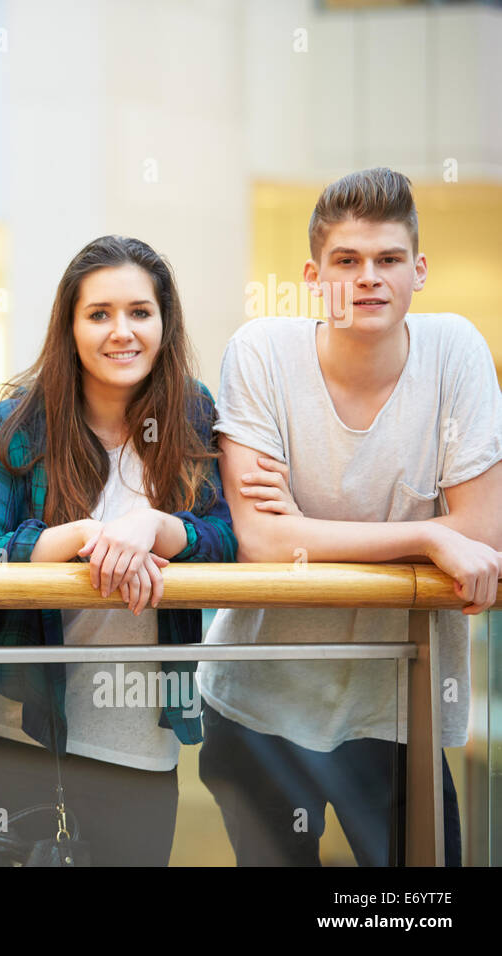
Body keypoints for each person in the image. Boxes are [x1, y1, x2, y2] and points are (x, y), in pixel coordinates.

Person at [197, 167, 502, 866]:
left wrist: (310, 530)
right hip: (260, 704)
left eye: (389, 259)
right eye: (347, 261)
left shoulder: (456, 351)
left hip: (397, 704)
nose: (369, 278)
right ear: (314, 275)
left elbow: (483, 534)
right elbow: (265, 543)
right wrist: (429, 533)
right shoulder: (262, 353)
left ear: (418, 270)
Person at [0, 235, 236, 865]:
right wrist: (72, 540)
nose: (120, 332)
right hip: (20, 733)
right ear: (69, 327)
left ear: (165, 322)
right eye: (98, 314)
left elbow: (229, 541)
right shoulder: (19, 421)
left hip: (141, 747)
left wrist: (157, 526)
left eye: (139, 312)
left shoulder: (192, 413)